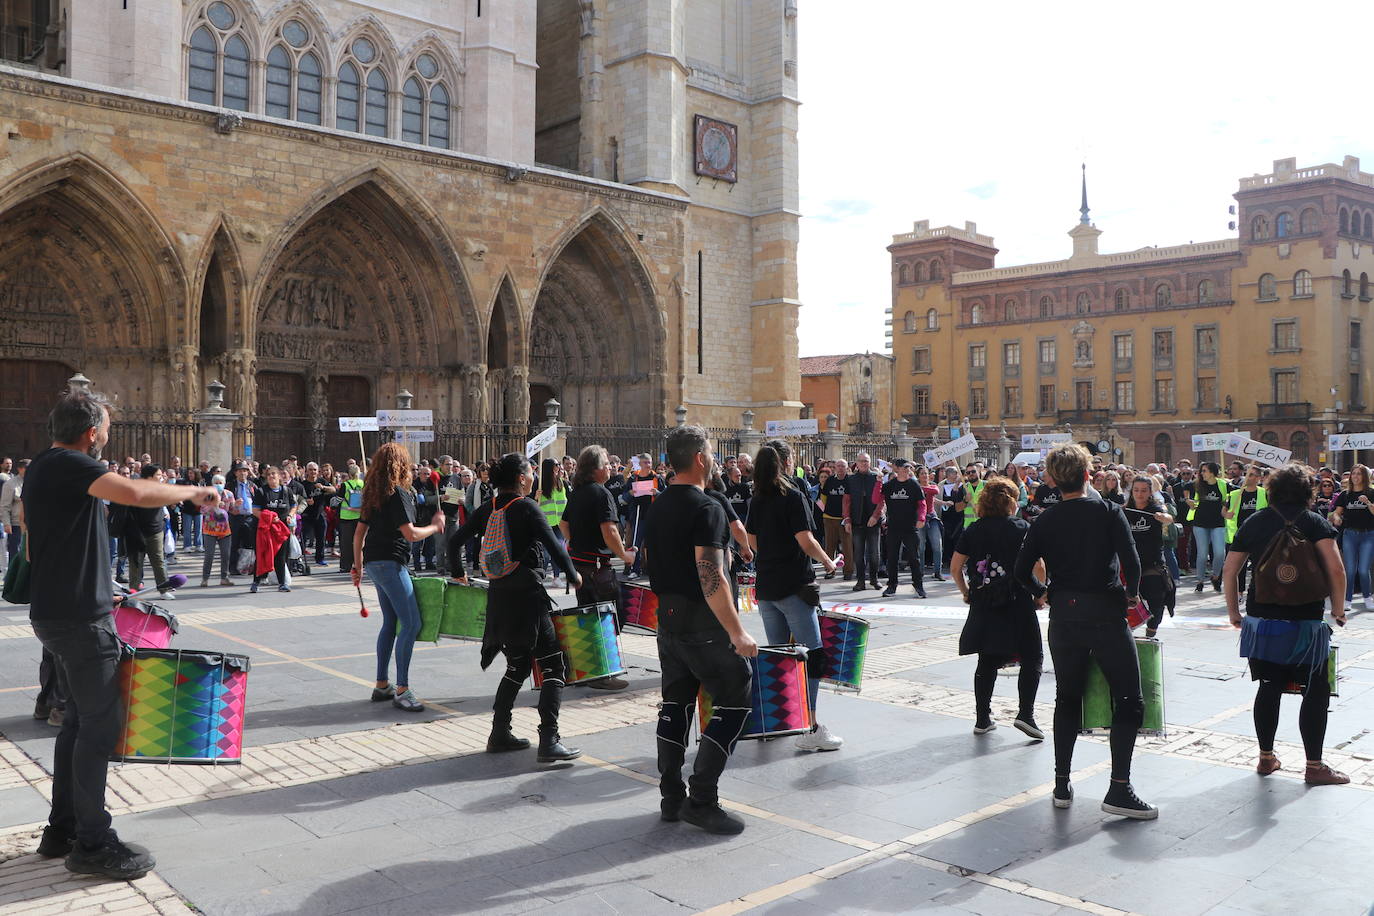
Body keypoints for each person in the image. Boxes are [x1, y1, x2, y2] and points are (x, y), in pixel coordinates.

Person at [25, 388, 217, 879]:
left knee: (76, 724)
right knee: (99, 727)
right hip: (79, 621)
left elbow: (36, 547)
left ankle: (62, 829)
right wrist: (192, 492)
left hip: (58, 611)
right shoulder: (73, 465)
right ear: (90, 433)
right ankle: (92, 843)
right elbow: (133, 492)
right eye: (106, 427)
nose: (108, 435)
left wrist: (97, 586)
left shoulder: (44, 467)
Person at [1014, 443, 1155, 819]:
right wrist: (1132, 596)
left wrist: (1040, 593)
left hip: (1064, 615)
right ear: (1088, 476)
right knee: (1129, 699)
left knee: (1067, 698)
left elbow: (1020, 569)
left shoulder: (1044, 519)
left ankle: (1062, 783)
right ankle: (1119, 789)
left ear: (1052, 481)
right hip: (1106, 614)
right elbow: (1132, 562)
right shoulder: (1109, 511)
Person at [646, 426, 759, 835]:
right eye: (710, 452)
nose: (712, 458)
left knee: (675, 705)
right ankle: (702, 798)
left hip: (668, 623)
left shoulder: (656, 505)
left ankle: (671, 797)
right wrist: (737, 632)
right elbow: (711, 574)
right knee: (736, 702)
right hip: (703, 625)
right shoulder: (707, 507)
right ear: (699, 458)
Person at [449, 453, 583, 761]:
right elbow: (553, 544)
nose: (534, 475)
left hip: (500, 598)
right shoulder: (525, 507)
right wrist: (574, 576)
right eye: (530, 472)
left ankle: (499, 734)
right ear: (521, 479)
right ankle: (549, 740)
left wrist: (458, 571)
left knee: (518, 666)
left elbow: (455, 541)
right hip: (527, 599)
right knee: (553, 666)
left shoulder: (488, 508)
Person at [1223, 463, 1349, 786]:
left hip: (1262, 618)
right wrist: (1337, 609)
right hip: (1305, 619)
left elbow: (1230, 570)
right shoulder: (1315, 522)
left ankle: (1266, 758)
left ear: (1272, 490)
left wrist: (1233, 612)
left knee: (1269, 686)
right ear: (1307, 491)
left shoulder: (1256, 521)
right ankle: (1314, 765)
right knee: (1316, 689)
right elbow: (1335, 569)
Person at [746, 441, 842, 752]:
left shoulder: (757, 498)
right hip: (793, 586)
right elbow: (805, 539)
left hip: (767, 587)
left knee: (777, 655)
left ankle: (775, 721)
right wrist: (828, 562)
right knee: (812, 655)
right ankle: (810, 728)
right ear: (787, 463)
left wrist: (772, 557)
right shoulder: (793, 496)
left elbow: (751, 540)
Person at [351, 443, 445, 713]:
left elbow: (358, 534)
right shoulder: (399, 494)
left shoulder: (373, 494)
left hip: (374, 563)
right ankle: (402, 689)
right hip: (391, 564)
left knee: (391, 623)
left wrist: (357, 567)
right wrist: (435, 526)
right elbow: (411, 534)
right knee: (411, 623)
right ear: (401, 466)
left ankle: (382, 684)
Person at [951, 476, 1044, 738]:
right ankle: (1025, 714)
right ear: (1011, 502)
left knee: (987, 659)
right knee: (1032, 655)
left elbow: (955, 568)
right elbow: (1038, 565)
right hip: (1017, 599)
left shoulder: (974, 529)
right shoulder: (1022, 527)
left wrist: (966, 592)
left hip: (984, 600)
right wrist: (1039, 593)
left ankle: (982, 718)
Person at [563, 445, 637, 648]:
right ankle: (605, 673)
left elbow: (564, 524)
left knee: (588, 617)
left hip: (580, 567)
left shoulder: (577, 492)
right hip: (597, 568)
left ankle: (595, 672)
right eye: (606, 464)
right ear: (595, 469)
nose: (610, 468)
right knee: (611, 618)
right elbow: (610, 531)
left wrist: (577, 543)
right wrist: (624, 555)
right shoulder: (601, 494)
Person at [1125, 478, 1175, 639]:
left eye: (1144, 490)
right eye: (1136, 490)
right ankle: (1126, 638)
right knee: (1126, 605)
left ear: (1150, 492)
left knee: (1156, 602)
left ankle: (1150, 636)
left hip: (1152, 563)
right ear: (1132, 492)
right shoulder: (1125, 511)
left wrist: (1163, 517)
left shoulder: (1155, 508)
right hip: (1129, 565)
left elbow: (1169, 518)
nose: (1139, 494)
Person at [125, 465, 178, 600]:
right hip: (136, 532)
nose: (161, 478)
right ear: (149, 477)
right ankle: (134, 591)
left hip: (155, 531)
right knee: (136, 562)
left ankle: (164, 589)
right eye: (158, 475)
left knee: (159, 561)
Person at [881, 459, 927, 598]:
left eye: (909, 467)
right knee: (892, 557)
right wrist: (878, 482)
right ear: (896, 469)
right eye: (904, 467)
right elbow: (878, 500)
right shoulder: (889, 485)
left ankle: (918, 585)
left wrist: (922, 518)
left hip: (910, 527)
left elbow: (922, 503)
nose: (907, 469)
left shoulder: (913, 484)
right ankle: (892, 586)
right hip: (893, 526)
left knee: (914, 557)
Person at [1332, 464, 1374, 608]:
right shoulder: (1345, 494)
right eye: (1353, 474)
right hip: (1350, 534)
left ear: (1365, 477)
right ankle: (1347, 599)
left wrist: (1368, 503)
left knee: (1363, 570)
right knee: (1349, 570)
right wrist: (1336, 517)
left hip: (1368, 534)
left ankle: (1367, 597)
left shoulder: (1371, 492)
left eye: (1359, 474)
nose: (1355, 476)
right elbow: (1336, 512)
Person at [1184, 462, 1228, 593]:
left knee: (1220, 553)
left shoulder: (1223, 484)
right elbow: (1185, 487)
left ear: (1213, 472)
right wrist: (1188, 500)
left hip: (1218, 523)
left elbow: (1236, 491)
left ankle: (1215, 576)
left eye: (1204, 471)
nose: (1201, 473)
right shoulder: (1197, 484)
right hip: (1200, 523)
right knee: (1202, 554)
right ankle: (1200, 580)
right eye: (1201, 471)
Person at [250, 466, 294, 594]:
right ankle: (256, 582)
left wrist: (291, 515)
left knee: (281, 557)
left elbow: (293, 505)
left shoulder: (286, 491)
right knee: (262, 555)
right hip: (266, 530)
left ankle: (282, 583)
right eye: (268, 474)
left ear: (279, 476)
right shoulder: (261, 492)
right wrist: (269, 518)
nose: (271, 476)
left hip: (282, 530)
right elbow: (255, 511)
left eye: (274, 474)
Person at [842, 452, 882, 590]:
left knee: (874, 553)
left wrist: (876, 516)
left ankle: (874, 579)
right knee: (858, 554)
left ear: (870, 463)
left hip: (873, 521)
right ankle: (860, 581)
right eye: (861, 461)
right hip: (857, 521)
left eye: (866, 461)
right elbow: (846, 501)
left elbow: (881, 501)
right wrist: (847, 519)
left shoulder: (876, 478)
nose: (864, 463)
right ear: (857, 463)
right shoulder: (850, 479)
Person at [537, 457, 569, 585]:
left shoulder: (562, 483)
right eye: (556, 464)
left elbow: (567, 501)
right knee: (544, 553)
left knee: (559, 549)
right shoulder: (539, 483)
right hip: (545, 523)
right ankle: (541, 576)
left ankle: (557, 577)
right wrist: (535, 497)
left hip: (559, 523)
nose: (559, 466)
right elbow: (531, 503)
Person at [199, 474, 235, 587]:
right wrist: (214, 505)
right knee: (209, 554)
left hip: (224, 529)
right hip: (210, 528)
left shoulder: (229, 494)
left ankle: (224, 578)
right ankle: (205, 578)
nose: (219, 485)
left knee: (226, 554)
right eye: (216, 483)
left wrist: (237, 505)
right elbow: (203, 510)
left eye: (221, 483)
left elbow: (232, 510)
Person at [819, 458, 851, 579]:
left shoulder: (850, 480)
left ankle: (848, 572)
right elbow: (823, 497)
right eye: (838, 466)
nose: (840, 468)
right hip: (829, 517)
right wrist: (824, 512)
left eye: (843, 466)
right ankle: (829, 570)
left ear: (847, 468)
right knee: (829, 546)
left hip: (844, 519)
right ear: (835, 468)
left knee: (847, 546)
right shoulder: (830, 480)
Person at [337, 464, 364, 576]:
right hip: (359, 516)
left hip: (346, 516)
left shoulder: (345, 485)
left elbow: (338, 499)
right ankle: (359, 563)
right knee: (360, 542)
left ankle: (345, 565)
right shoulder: (362, 484)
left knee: (346, 543)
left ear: (349, 474)